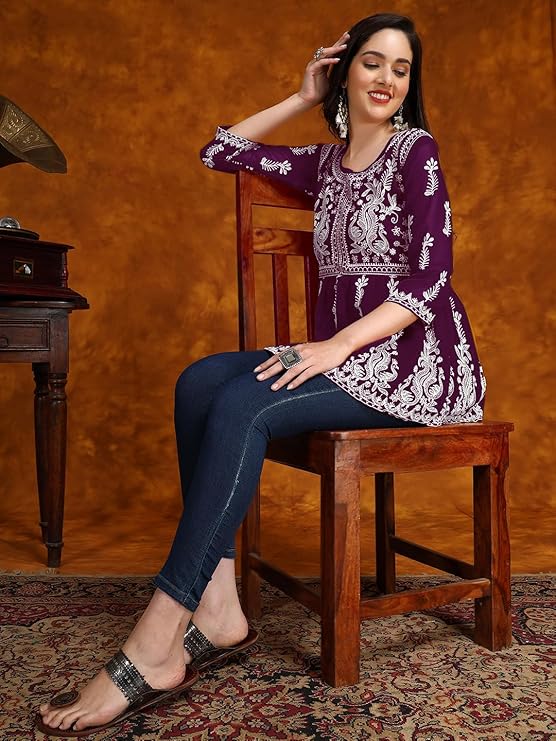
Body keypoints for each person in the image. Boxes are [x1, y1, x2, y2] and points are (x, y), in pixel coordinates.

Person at [37, 12, 485, 736]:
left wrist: (337, 345)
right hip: (341, 355)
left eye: (401, 69)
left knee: (243, 403)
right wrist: (303, 95)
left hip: (413, 362)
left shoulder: (416, 152)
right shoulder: (321, 164)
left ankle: (158, 637)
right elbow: (219, 150)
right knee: (199, 381)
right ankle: (218, 607)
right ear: (345, 71)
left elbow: (433, 276)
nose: (386, 79)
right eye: (371, 62)